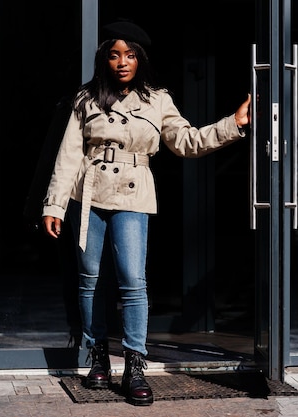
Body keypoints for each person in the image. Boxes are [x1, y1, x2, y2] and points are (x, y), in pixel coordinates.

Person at [41, 20, 251, 406]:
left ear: (141, 59)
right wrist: (54, 204)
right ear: (105, 58)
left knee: (132, 283)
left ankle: (135, 364)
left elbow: (186, 141)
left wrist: (233, 125)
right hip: (86, 195)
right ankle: (98, 359)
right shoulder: (86, 99)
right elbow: (68, 155)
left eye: (130, 55)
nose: (122, 62)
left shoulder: (157, 99)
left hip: (134, 196)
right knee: (89, 281)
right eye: (115, 54)